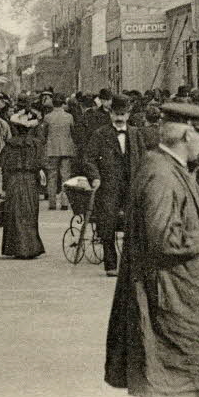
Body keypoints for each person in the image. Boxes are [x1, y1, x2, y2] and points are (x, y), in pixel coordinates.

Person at [104, 99, 199, 397]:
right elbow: (163, 239)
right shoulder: (162, 175)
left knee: (168, 394)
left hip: (174, 298)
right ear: (186, 135)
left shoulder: (169, 167)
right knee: (164, 394)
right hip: (168, 302)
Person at [84, 96, 146, 276]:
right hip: (108, 186)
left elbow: (144, 158)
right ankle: (111, 265)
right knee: (108, 224)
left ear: (128, 115)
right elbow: (89, 159)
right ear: (110, 114)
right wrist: (95, 177)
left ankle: (131, 264)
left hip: (131, 185)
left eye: (123, 114)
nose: (119, 118)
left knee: (133, 224)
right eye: (116, 114)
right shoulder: (100, 134)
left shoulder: (135, 134)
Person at [0, 108, 46, 260]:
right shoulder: (36, 144)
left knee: (14, 214)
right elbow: (41, 164)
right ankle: (31, 247)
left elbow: (2, 164)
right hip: (30, 181)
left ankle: (17, 247)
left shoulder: (10, 144)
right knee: (30, 212)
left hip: (14, 181)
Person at [43, 97, 77, 210]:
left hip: (52, 149)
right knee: (65, 176)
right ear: (63, 104)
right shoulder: (69, 117)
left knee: (52, 176)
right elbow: (73, 131)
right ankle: (65, 203)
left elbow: (44, 133)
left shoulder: (47, 117)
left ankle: (52, 203)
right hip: (66, 149)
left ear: (53, 104)